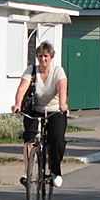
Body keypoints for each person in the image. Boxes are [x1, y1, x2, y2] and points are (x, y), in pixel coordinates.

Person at [11, 41, 68, 187]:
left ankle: (55, 172)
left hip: (55, 110)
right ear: (37, 57)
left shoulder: (57, 71)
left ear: (51, 57)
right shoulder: (31, 70)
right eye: (40, 56)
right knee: (29, 139)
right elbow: (22, 88)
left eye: (46, 56)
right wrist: (17, 104)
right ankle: (28, 173)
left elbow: (62, 87)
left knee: (57, 140)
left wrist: (62, 104)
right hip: (35, 109)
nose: (43, 59)